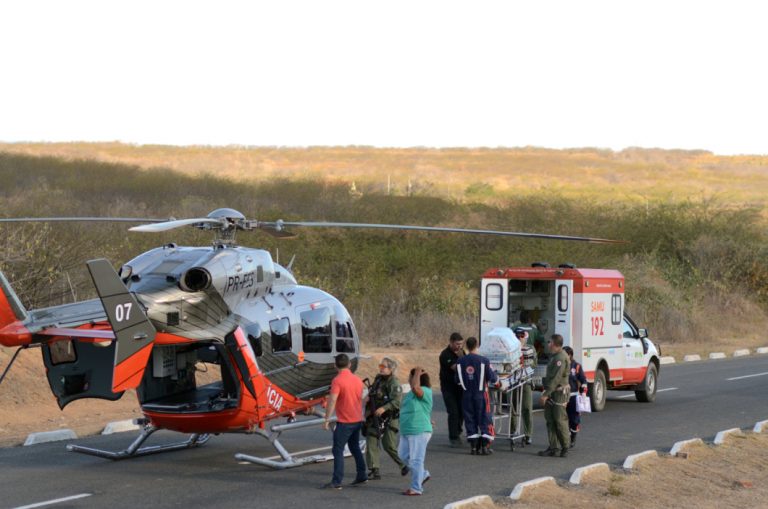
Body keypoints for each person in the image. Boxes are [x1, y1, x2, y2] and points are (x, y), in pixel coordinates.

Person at [322, 354, 367, 490]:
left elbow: (332, 400)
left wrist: (327, 419)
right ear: (349, 365)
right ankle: (362, 474)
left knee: (338, 450)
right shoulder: (357, 380)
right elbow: (362, 398)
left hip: (345, 422)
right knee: (355, 447)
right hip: (357, 419)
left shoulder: (337, 380)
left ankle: (337, 481)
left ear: (335, 365)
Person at [364, 357, 408, 480]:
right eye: (380, 366)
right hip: (375, 416)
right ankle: (374, 470)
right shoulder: (378, 379)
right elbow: (373, 393)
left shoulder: (394, 383)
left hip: (389, 417)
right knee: (371, 440)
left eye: (384, 367)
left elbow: (397, 402)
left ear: (391, 369)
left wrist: (384, 408)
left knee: (388, 444)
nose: (381, 369)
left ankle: (403, 465)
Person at [456, 336, 498, 455]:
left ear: (467, 346)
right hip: (481, 394)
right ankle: (485, 446)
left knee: (470, 419)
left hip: (466, 395)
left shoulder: (460, 361)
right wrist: (498, 380)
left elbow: (457, 380)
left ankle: (474, 447)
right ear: (477, 346)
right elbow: (492, 378)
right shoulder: (484, 361)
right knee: (484, 418)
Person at [398, 367, 433, 496]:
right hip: (406, 430)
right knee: (402, 456)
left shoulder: (425, 391)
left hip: (419, 430)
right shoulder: (410, 394)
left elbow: (416, 388)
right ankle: (422, 475)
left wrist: (417, 372)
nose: (409, 378)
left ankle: (416, 488)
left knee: (416, 460)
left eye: (410, 376)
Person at [538, 334, 571, 457]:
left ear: (555, 344)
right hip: (552, 391)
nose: (548, 344)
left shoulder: (560, 358)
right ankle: (553, 447)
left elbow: (556, 378)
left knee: (559, 420)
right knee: (550, 420)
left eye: (550, 342)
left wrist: (545, 394)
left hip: (558, 393)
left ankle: (565, 447)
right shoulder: (554, 356)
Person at [439, 332, 466, 447]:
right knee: (453, 412)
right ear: (451, 342)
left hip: (460, 387)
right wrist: (462, 359)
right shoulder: (445, 354)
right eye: (457, 344)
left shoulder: (462, 353)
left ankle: (458, 431)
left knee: (461, 411)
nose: (459, 346)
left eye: (461, 344)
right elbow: (456, 368)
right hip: (448, 388)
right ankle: (453, 437)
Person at [512, 327, 535, 444]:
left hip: (526, 381)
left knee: (527, 408)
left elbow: (533, 364)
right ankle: (513, 431)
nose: (521, 339)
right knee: (513, 408)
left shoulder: (530, 348)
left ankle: (527, 434)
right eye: (519, 336)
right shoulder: (510, 348)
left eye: (522, 336)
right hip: (513, 382)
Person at [563, 346, 587, 447]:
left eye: (564, 354)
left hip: (573, 397)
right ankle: (564, 439)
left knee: (574, 419)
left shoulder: (576, 366)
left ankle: (573, 436)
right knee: (562, 419)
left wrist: (583, 392)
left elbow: (583, 380)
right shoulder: (560, 365)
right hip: (562, 397)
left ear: (569, 355)